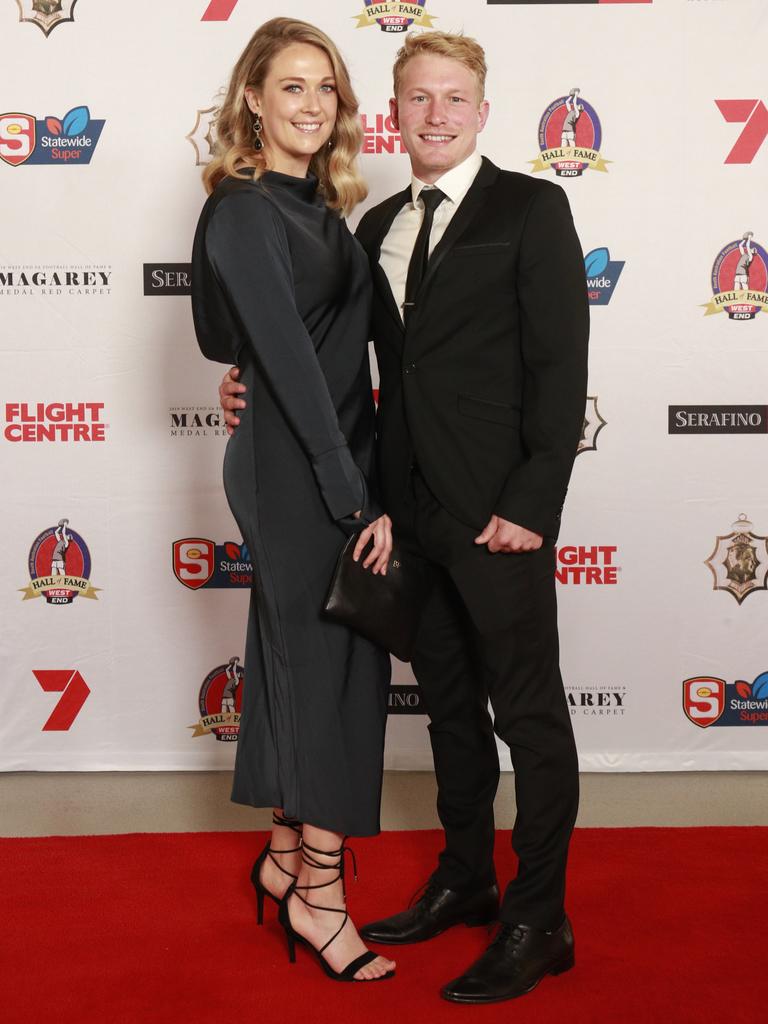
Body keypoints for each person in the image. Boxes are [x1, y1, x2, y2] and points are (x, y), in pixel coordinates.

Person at [220, 30, 589, 1005]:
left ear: (480, 108)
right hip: (407, 517)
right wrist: (247, 380)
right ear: (393, 111)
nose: (434, 115)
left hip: (498, 515)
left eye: (453, 98)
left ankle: (538, 917)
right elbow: (332, 355)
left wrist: (531, 501)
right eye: (417, 99)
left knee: (532, 717)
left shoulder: (533, 207)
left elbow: (561, 369)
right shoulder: (372, 222)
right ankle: (467, 875)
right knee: (450, 711)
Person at [191, 17, 396, 984]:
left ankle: (282, 857)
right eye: (292, 87)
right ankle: (321, 893)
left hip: (331, 456)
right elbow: (269, 356)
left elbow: (308, 347)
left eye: (327, 88)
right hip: (294, 467)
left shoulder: (324, 210)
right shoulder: (241, 211)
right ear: (253, 102)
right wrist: (351, 497)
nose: (312, 104)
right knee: (327, 674)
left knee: (301, 656)